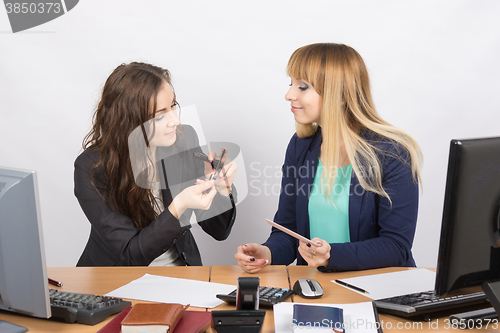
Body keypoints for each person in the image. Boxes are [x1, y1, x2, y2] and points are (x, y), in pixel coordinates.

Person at [235, 43, 422, 273]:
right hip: (317, 288)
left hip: (377, 288)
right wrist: (268, 253)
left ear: (340, 94)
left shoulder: (392, 153)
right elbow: (290, 229)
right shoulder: (300, 146)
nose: (289, 95)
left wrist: (331, 256)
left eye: (303, 86)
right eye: (290, 84)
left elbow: (396, 246)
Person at [75, 62, 237, 266]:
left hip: (181, 273)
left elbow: (219, 231)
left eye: (173, 106)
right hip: (119, 280)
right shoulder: (92, 169)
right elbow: (130, 255)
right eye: (160, 115)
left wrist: (222, 189)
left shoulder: (183, 139)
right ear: (130, 121)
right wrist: (178, 207)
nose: (175, 121)